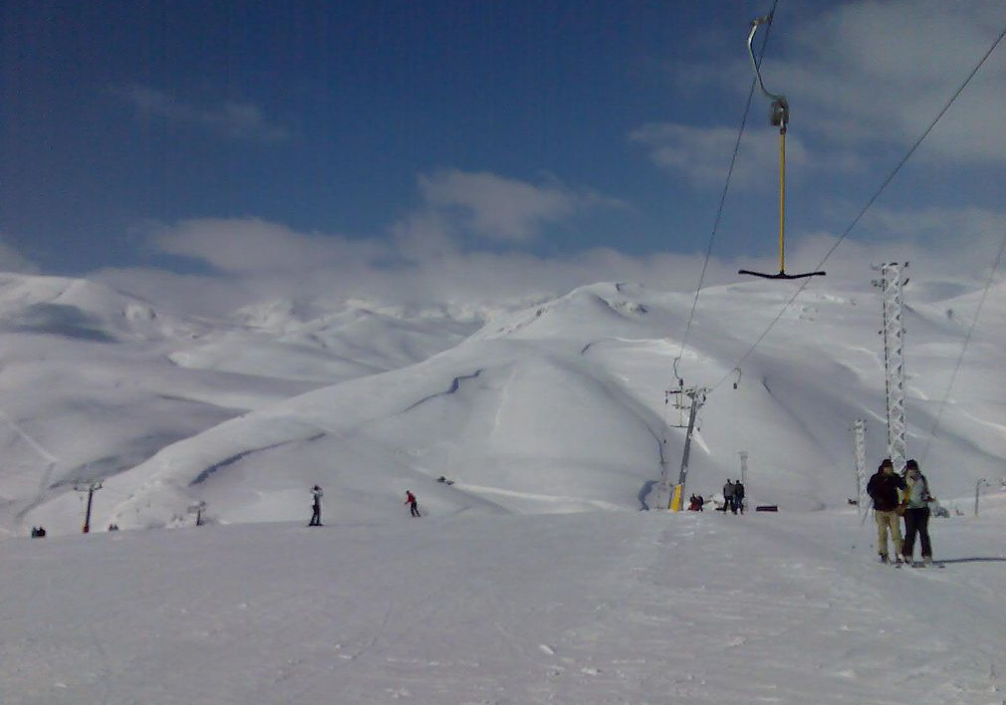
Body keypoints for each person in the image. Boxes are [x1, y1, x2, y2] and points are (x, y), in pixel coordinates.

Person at [866, 458, 907, 563]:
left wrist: (903, 482)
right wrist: (875, 496)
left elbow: (903, 486)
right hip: (880, 510)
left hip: (893, 510)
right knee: (882, 533)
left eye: (891, 467)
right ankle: (883, 553)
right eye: (888, 468)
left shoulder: (894, 477)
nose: (890, 470)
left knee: (896, 533)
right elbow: (869, 489)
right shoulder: (876, 478)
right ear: (883, 468)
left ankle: (899, 553)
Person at [901, 459, 935, 565]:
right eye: (911, 469)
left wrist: (927, 497)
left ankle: (927, 555)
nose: (913, 471)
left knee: (923, 533)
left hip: (922, 509)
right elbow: (901, 494)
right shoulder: (903, 480)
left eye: (914, 469)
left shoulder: (922, 479)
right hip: (910, 509)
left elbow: (926, 491)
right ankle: (907, 555)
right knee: (910, 533)